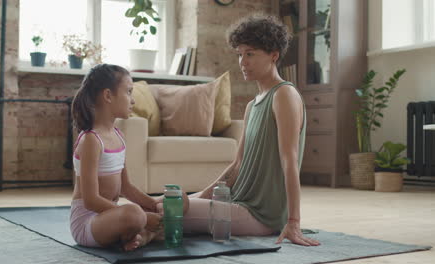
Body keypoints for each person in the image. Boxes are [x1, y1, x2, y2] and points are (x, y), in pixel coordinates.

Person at [186, 14, 320, 247]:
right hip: (238, 203)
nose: (242, 62)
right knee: (169, 201)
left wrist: (294, 221)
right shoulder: (252, 106)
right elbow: (237, 166)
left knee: (167, 207)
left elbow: (290, 160)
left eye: (250, 54)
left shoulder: (284, 95)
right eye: (239, 55)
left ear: (273, 55)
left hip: (261, 214)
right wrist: (198, 195)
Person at [70, 64, 188, 251]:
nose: (133, 101)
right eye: (129, 92)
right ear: (108, 96)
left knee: (178, 198)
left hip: (111, 216)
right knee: (135, 214)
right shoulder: (92, 140)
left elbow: (127, 188)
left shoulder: (118, 136)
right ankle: (145, 233)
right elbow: (90, 200)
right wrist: (143, 216)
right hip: (89, 223)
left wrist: (154, 205)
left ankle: (141, 236)